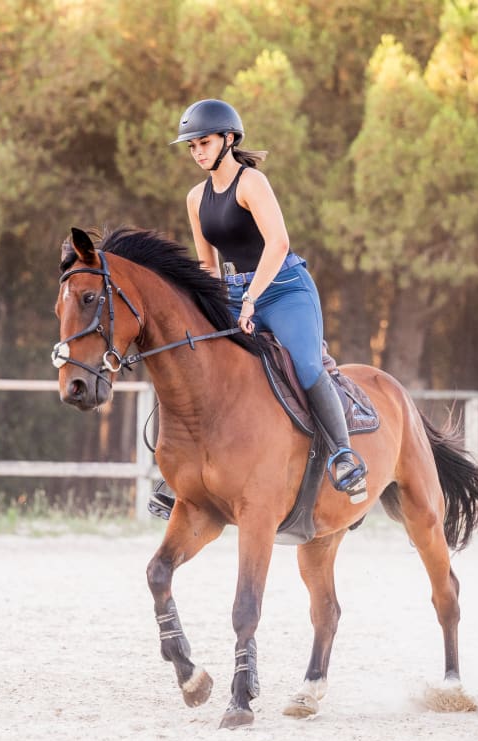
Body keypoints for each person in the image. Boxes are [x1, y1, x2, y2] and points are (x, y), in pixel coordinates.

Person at [148, 99, 367, 520]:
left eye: (204, 142)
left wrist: (250, 300)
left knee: (305, 365)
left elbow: (278, 244)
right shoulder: (196, 198)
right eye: (191, 146)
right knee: (196, 360)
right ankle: (180, 471)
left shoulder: (252, 183)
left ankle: (343, 455)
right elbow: (208, 264)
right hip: (232, 292)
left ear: (228, 140)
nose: (197, 151)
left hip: (285, 289)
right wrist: (205, 308)